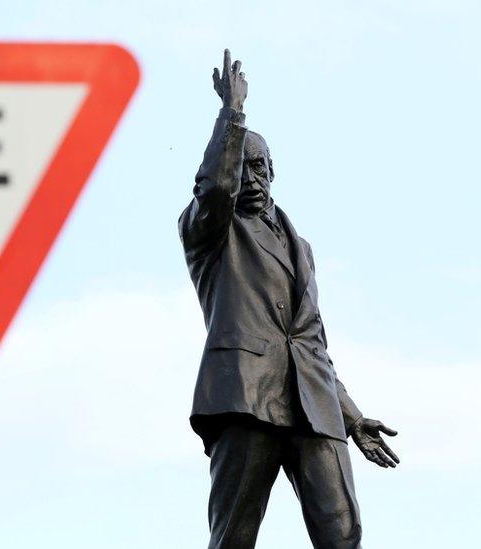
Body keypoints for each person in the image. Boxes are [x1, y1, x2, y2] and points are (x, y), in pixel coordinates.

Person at [178, 49, 400, 549]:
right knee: (234, 535)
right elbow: (214, 187)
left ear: (274, 170)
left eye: (259, 168)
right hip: (246, 396)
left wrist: (353, 416)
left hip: (314, 406)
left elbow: (312, 343)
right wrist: (231, 115)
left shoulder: (301, 248)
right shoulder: (210, 233)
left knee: (343, 533)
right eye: (242, 170)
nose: (250, 180)